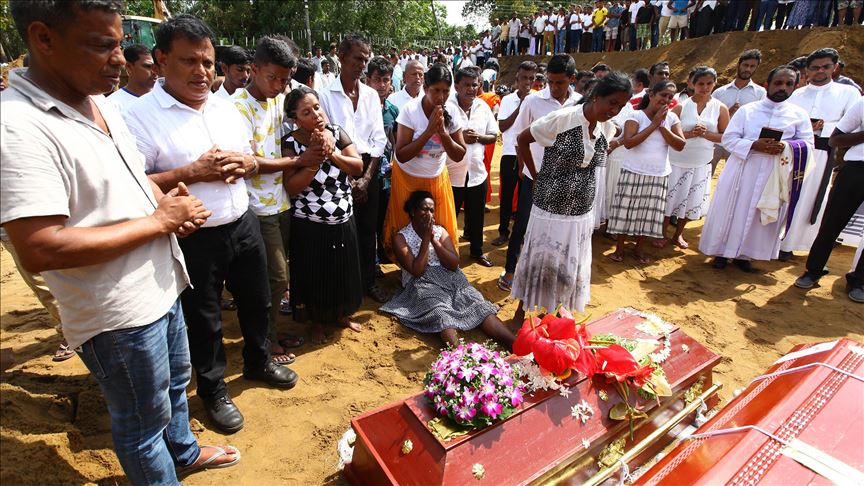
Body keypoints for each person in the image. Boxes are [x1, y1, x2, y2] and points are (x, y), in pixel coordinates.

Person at [2, 1, 238, 482]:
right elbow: (39, 247)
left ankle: (184, 452)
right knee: (142, 423)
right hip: (117, 313)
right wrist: (158, 222)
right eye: (102, 45)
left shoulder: (100, 101)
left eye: (120, 44)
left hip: (161, 282)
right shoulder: (18, 127)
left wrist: (166, 206)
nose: (121, 59)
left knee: (175, 384)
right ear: (43, 38)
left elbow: (130, 180)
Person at [125, 15, 298, 435]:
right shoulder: (139, 116)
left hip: (242, 221)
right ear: (161, 60)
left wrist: (248, 163)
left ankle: (258, 362)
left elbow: (249, 159)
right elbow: (134, 183)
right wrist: (192, 172)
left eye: (206, 62)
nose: (201, 72)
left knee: (258, 301)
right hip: (193, 237)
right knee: (205, 320)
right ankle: (213, 389)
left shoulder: (224, 106)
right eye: (189, 61)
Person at [511, 73, 632, 316]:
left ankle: (556, 313)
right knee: (540, 258)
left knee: (568, 263)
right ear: (596, 96)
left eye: (620, 106)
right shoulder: (563, 119)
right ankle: (521, 312)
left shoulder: (606, 128)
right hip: (550, 207)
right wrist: (534, 175)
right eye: (612, 103)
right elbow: (522, 139)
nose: (614, 111)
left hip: (581, 210)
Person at [231, 37, 304, 366]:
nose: (278, 85)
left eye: (284, 80)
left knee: (278, 276)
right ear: (254, 69)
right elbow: (250, 163)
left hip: (283, 200)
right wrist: (297, 162)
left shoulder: (280, 99)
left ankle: (270, 331)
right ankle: (265, 340)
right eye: (272, 77)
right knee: (275, 277)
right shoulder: (238, 107)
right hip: (256, 206)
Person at [699, 65, 814, 271]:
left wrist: (785, 146)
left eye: (789, 84)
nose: (783, 88)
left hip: (774, 173)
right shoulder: (748, 110)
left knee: (757, 215)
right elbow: (729, 139)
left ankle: (745, 255)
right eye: (778, 83)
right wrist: (753, 145)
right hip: (744, 168)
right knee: (732, 209)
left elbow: (807, 144)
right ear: (767, 85)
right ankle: (721, 252)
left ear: (795, 87)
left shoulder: (799, 114)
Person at [281, 86, 365, 342]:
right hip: (310, 223)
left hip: (343, 217)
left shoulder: (337, 133)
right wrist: (314, 160)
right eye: (307, 112)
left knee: (342, 270)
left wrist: (332, 154)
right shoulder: (290, 143)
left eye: (317, 108)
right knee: (314, 274)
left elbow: (358, 167)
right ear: (295, 119)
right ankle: (316, 322)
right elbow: (291, 187)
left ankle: (340, 315)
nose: (316, 115)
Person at [381, 191, 515, 348]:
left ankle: (515, 344)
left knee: (479, 305)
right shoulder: (400, 237)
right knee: (441, 312)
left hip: (451, 276)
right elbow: (417, 271)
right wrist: (426, 239)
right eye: (424, 209)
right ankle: (459, 356)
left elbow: (453, 263)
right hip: (421, 283)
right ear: (412, 211)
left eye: (432, 210)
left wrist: (434, 241)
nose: (429, 214)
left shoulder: (440, 231)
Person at [497, 54, 581, 293]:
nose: (554, 87)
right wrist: (525, 170)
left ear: (571, 79)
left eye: (559, 83)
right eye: (550, 82)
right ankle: (510, 270)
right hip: (534, 176)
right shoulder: (533, 102)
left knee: (558, 228)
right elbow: (519, 138)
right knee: (523, 224)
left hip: (565, 178)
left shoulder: (580, 104)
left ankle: (550, 274)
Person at [319, 35, 388, 304]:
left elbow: (379, 139)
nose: (362, 64)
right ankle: (347, 284)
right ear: (341, 57)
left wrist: (366, 178)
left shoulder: (370, 95)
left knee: (368, 229)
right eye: (357, 58)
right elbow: (328, 138)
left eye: (365, 59)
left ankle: (368, 281)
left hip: (369, 168)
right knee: (343, 231)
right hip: (338, 170)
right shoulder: (325, 96)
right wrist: (350, 177)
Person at [780, 48, 860, 261]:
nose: (820, 71)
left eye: (825, 67)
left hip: (822, 151)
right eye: (815, 68)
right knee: (784, 193)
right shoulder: (796, 94)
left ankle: (790, 244)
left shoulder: (848, 93)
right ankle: (772, 240)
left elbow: (853, 125)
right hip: (793, 150)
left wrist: (826, 126)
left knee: (808, 198)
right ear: (807, 70)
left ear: (835, 67)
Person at [383, 63, 466, 259]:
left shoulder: (452, 112)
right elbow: (401, 154)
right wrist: (428, 132)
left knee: (438, 226)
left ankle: (435, 265)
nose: (441, 97)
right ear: (426, 88)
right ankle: (408, 266)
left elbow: (459, 154)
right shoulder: (410, 110)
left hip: (436, 179)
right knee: (407, 225)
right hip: (407, 178)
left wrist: (443, 133)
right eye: (436, 90)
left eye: (446, 91)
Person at [795, 96, 864, 303]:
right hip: (856, 170)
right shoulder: (862, 104)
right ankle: (813, 271)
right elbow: (835, 140)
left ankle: (859, 280)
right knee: (832, 223)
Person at [608, 80, 685, 264]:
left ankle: (639, 249)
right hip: (633, 171)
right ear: (651, 94)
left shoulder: (672, 119)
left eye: (670, 97)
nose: (666, 100)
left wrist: (662, 125)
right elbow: (629, 143)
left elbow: (680, 144)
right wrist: (654, 124)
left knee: (647, 215)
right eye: (663, 95)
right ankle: (619, 249)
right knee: (625, 212)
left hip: (659, 174)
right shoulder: (636, 116)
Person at [660, 67, 729, 249]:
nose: (705, 88)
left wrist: (706, 134)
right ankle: (662, 233)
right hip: (676, 160)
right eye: (700, 84)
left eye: (709, 83)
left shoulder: (720, 108)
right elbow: (667, 132)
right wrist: (691, 134)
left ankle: (678, 234)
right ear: (692, 84)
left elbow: (725, 136)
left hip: (701, 162)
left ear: (715, 84)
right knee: (669, 199)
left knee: (691, 200)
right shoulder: (681, 107)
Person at [446, 68, 497, 267]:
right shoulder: (446, 107)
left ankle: (477, 251)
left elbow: (493, 135)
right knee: (449, 217)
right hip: (451, 174)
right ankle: (447, 255)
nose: (471, 89)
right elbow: (437, 135)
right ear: (456, 86)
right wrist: (460, 137)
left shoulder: (483, 107)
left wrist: (478, 138)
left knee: (477, 216)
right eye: (466, 85)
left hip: (477, 173)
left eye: (474, 84)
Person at [493, 61, 538, 247]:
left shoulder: (538, 100)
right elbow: (503, 126)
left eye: (531, 78)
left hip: (529, 155)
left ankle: (522, 235)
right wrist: (521, 106)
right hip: (510, 154)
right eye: (523, 78)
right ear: (517, 79)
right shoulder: (507, 100)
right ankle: (503, 232)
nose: (527, 82)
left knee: (526, 198)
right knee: (506, 196)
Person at [366, 57, 400, 268]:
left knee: (383, 216)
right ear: (367, 80)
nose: (381, 85)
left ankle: (382, 252)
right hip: (367, 173)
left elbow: (395, 141)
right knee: (368, 219)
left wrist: (393, 164)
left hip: (386, 174)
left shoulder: (393, 110)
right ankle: (372, 262)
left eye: (386, 80)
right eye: (377, 79)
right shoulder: (361, 108)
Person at [710, 49, 765, 174]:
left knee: (735, 178)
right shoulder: (720, 92)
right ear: (738, 64)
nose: (748, 69)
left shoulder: (761, 94)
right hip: (716, 142)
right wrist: (727, 113)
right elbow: (709, 116)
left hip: (740, 144)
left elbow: (760, 120)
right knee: (705, 176)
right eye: (745, 65)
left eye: (752, 66)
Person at [107, 44, 157, 112]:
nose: (155, 72)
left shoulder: (163, 98)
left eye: (156, 67)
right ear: (129, 67)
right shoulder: (112, 105)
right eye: (148, 66)